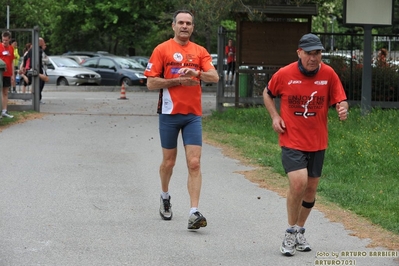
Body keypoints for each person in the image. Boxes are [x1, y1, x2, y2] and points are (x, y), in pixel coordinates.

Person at [262, 33, 349, 256]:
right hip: (292, 139)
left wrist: (342, 107)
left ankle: (300, 230)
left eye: (317, 53)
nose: (313, 58)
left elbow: (340, 98)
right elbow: (268, 93)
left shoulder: (328, 73)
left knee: (310, 189)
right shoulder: (285, 74)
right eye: (309, 53)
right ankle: (290, 232)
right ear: (299, 53)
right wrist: (274, 117)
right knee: (299, 183)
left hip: (317, 141)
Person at [145, 10, 219, 230]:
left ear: (192, 28)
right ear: (173, 26)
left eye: (188, 23)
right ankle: (165, 195)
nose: (184, 26)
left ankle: (193, 212)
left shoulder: (200, 51)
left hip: (192, 116)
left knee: (194, 163)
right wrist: (177, 80)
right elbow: (150, 83)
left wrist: (196, 74)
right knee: (169, 162)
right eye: (181, 23)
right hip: (169, 114)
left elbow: (214, 77)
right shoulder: (162, 49)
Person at [21, 37, 48, 103]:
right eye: (43, 41)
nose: (44, 43)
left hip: (31, 69)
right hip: (38, 69)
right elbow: (41, 60)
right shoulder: (39, 50)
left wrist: (24, 66)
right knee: (40, 84)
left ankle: (36, 98)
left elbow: (25, 58)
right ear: (40, 42)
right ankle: (37, 99)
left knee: (36, 84)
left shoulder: (31, 50)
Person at [0, 31, 15, 118]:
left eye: (6, 40)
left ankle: (4, 111)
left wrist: (12, 74)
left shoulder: (11, 48)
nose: (4, 42)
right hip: (1, 73)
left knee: (5, 92)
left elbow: (12, 61)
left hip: (7, 73)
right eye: (3, 40)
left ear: (9, 39)